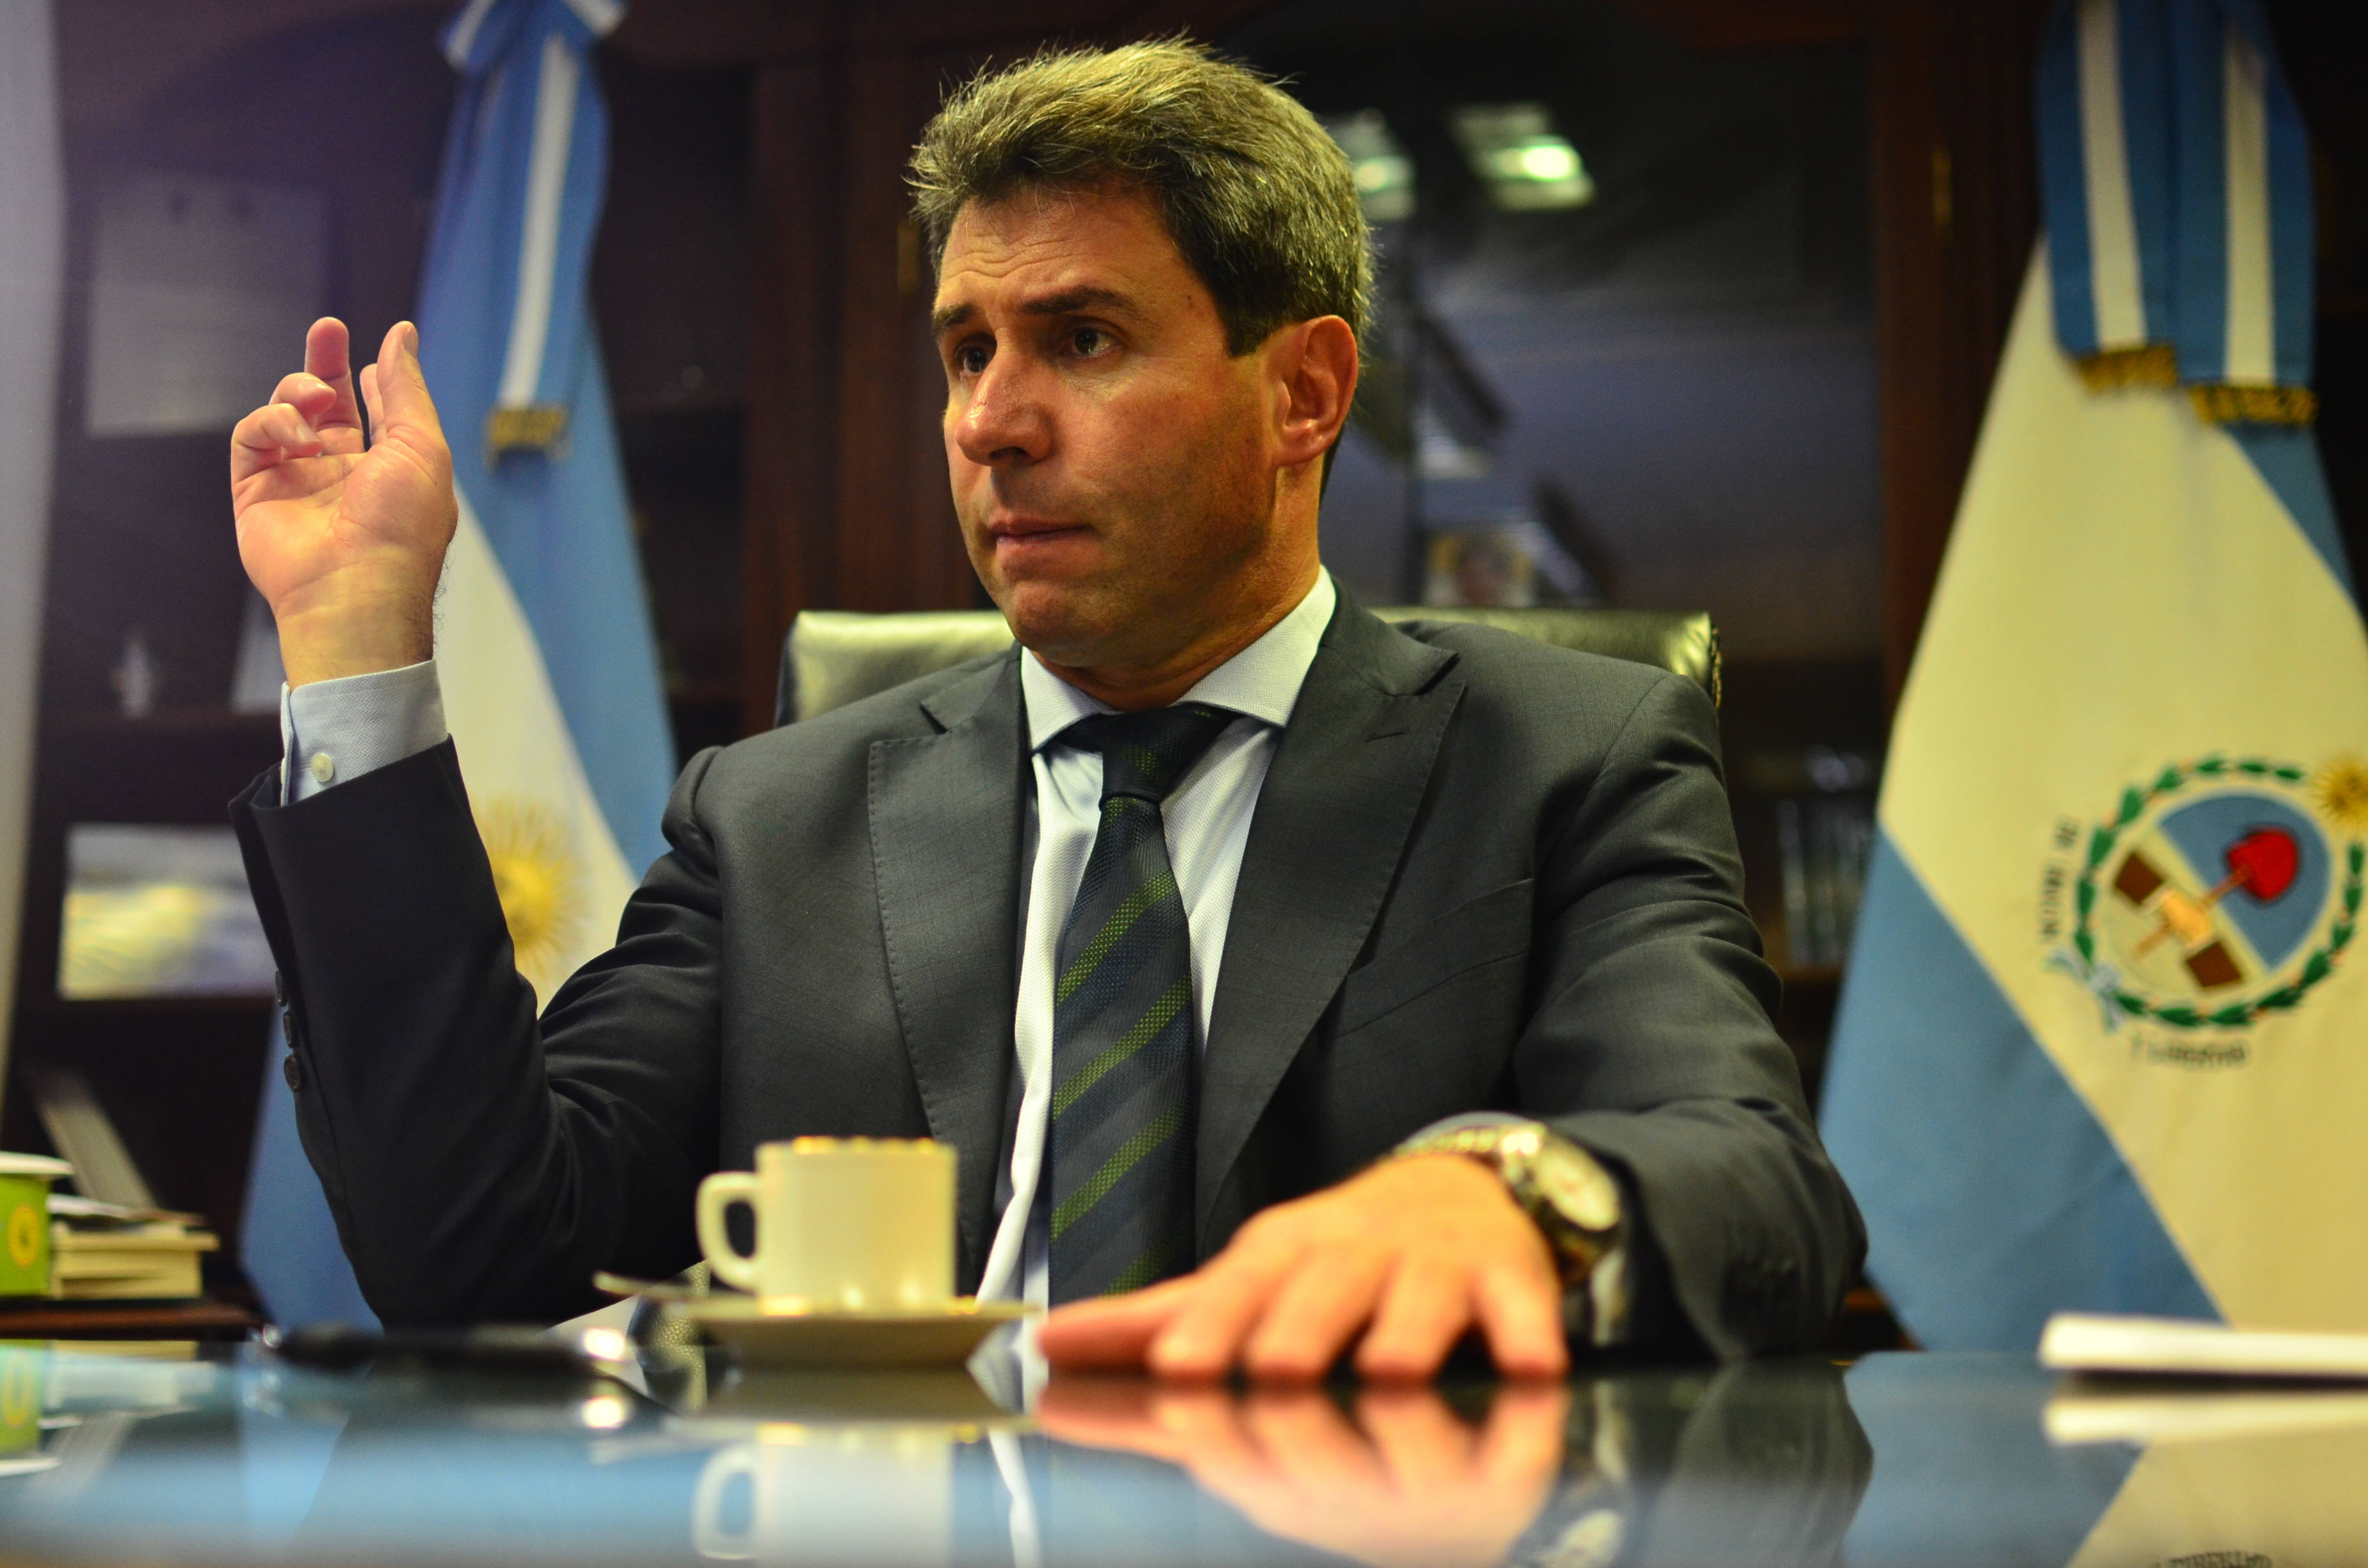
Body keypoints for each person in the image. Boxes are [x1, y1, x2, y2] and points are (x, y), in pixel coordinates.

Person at [227, 40, 1861, 1378]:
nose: (991, 422)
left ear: (1304, 393)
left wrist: (1520, 1197)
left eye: (1081, 340)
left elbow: (1760, 1192)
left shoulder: (1562, 763)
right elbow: (480, 1252)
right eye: (965, 351)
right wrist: (356, 645)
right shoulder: (779, 819)